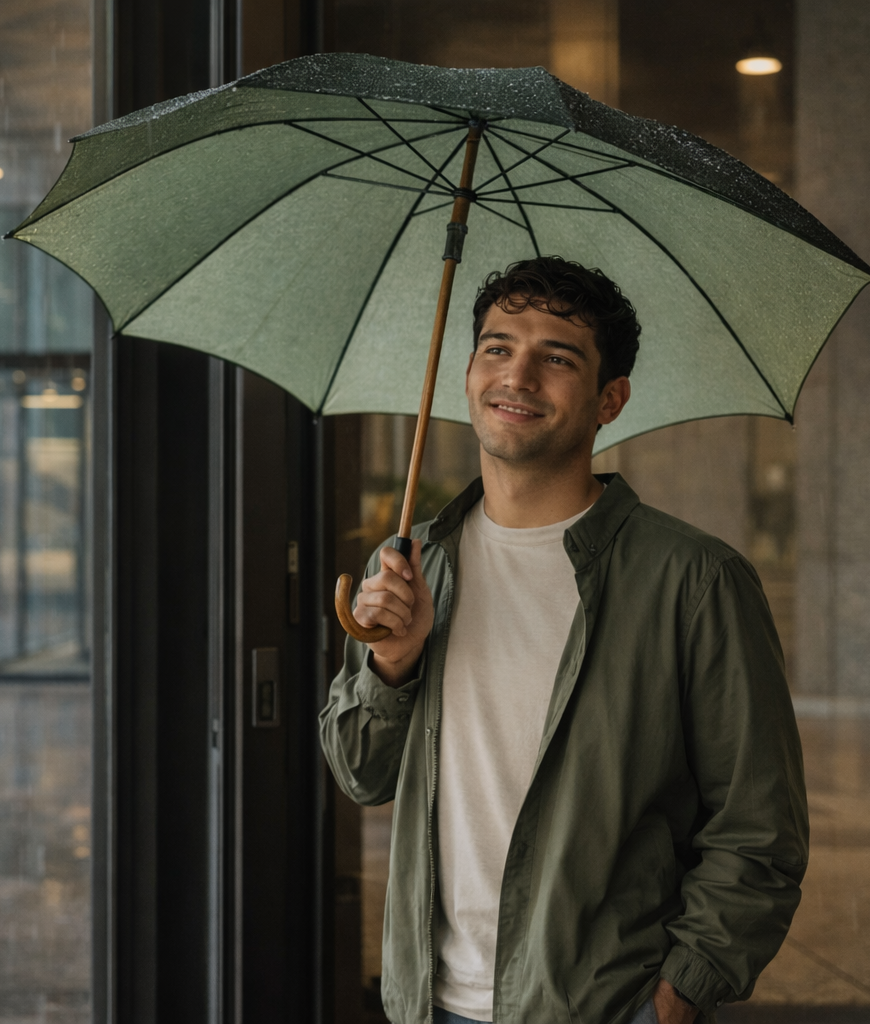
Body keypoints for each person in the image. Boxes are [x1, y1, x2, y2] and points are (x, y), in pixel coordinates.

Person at [319, 256, 807, 1024]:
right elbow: (358, 774)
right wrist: (392, 661)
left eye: (558, 357)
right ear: (469, 371)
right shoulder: (414, 566)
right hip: (427, 1005)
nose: (518, 376)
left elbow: (759, 828)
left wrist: (679, 995)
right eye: (497, 347)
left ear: (611, 399)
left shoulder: (697, 581)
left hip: (605, 1006)